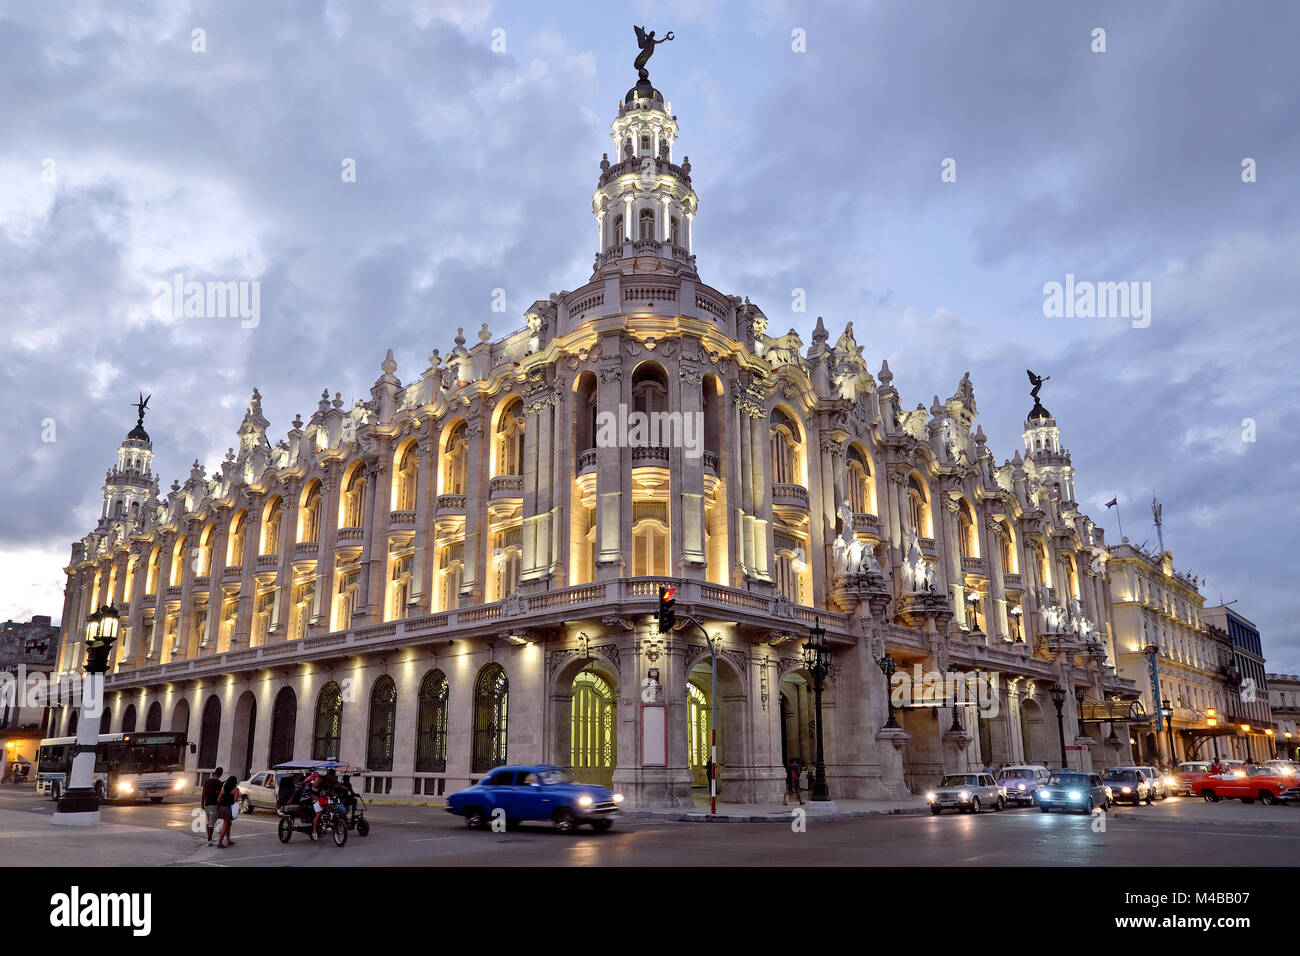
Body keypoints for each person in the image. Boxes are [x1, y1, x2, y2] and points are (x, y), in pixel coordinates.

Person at [215, 775, 240, 848]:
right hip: (228, 808)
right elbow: (235, 800)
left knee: (228, 824)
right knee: (225, 825)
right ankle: (219, 843)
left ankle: (228, 840)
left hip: (222, 808)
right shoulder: (236, 789)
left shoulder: (224, 789)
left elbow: (218, 799)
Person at [201, 767, 224, 846]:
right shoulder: (219, 783)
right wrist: (219, 806)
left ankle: (209, 839)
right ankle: (209, 841)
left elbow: (203, 793)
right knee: (211, 824)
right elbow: (218, 795)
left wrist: (202, 804)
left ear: (214, 773)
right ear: (220, 774)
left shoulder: (207, 782)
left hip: (207, 804)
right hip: (214, 805)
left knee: (209, 822)